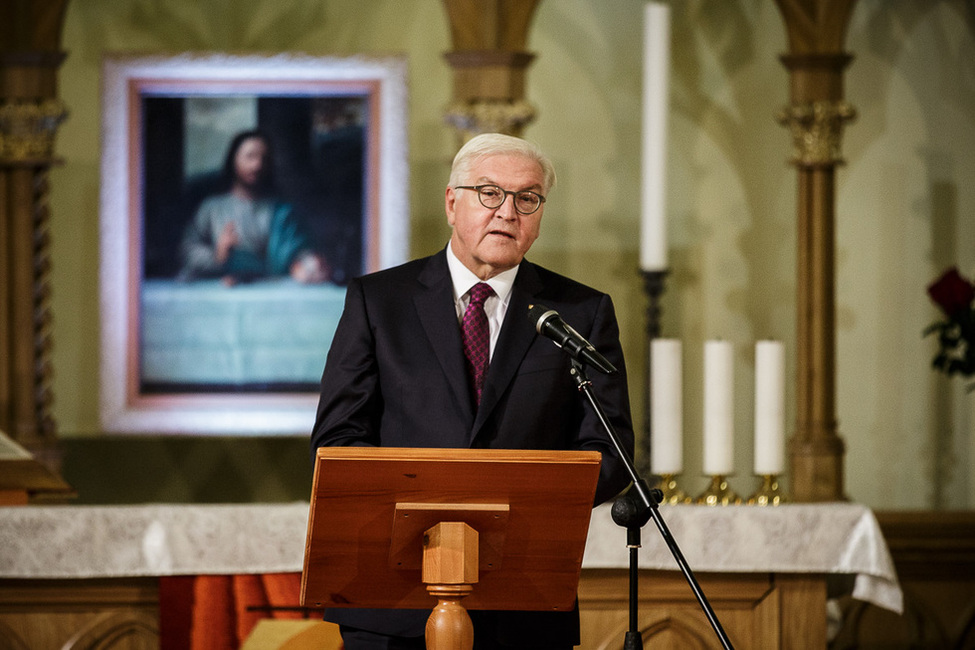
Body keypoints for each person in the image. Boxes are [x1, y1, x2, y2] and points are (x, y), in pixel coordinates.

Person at [310, 133, 635, 649]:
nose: (508, 211)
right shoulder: (379, 302)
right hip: (394, 601)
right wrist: (425, 505)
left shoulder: (578, 313)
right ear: (451, 202)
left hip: (523, 598)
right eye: (489, 193)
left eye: (527, 198)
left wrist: (512, 506)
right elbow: (338, 437)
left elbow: (610, 451)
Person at [178, 129, 328, 285]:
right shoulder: (212, 208)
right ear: (233, 159)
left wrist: (307, 264)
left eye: (264, 158)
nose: (257, 165)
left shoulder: (282, 211)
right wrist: (217, 255)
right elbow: (186, 250)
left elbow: (301, 252)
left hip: (273, 293)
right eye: (250, 157)